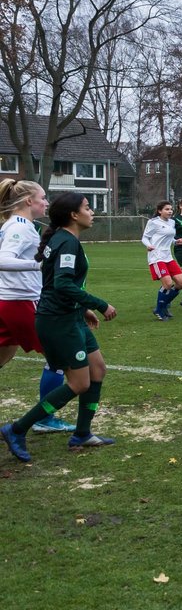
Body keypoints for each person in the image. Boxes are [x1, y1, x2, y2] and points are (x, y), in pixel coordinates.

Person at [2, 193, 118, 463]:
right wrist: (100, 304)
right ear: (73, 215)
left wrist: (83, 308)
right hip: (59, 322)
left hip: (71, 316)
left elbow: (56, 282)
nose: (92, 213)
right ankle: (17, 428)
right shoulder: (66, 242)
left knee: (98, 369)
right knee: (79, 383)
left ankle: (82, 434)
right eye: (88, 208)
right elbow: (63, 284)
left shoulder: (64, 239)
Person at [0, 180, 72, 433]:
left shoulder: (16, 224)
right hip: (20, 301)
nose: (46, 202)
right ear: (29, 201)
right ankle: (45, 418)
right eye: (42, 197)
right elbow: (3, 260)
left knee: (4, 355)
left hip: (9, 301)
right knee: (59, 358)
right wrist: (37, 265)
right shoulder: (20, 227)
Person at [142, 202, 182, 320]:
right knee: (167, 284)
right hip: (156, 257)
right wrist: (148, 245)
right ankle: (160, 310)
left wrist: (176, 241)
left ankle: (161, 306)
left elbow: (168, 238)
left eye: (171, 209)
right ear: (159, 210)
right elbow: (145, 237)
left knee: (181, 283)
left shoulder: (172, 222)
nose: (170, 211)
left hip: (168, 256)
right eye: (167, 209)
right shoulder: (153, 222)